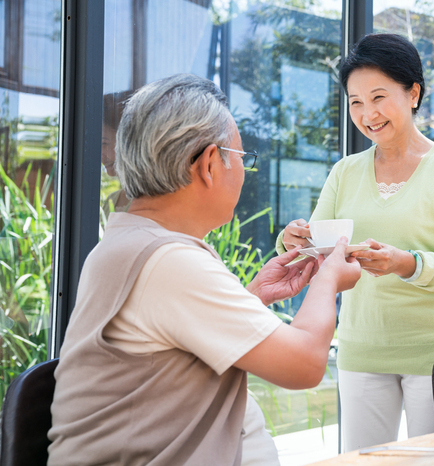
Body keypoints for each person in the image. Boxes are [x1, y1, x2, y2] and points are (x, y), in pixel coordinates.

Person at [47, 74, 361, 466]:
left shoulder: (132, 243)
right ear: (211, 163)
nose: (244, 171)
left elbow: (171, 343)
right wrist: (328, 277)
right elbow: (305, 365)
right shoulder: (168, 262)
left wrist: (253, 297)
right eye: (243, 158)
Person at [279, 33, 434, 451]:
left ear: (413, 93)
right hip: (361, 352)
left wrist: (406, 264)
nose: (367, 114)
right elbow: (319, 254)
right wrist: (292, 241)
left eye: (378, 97)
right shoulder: (345, 172)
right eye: (355, 102)